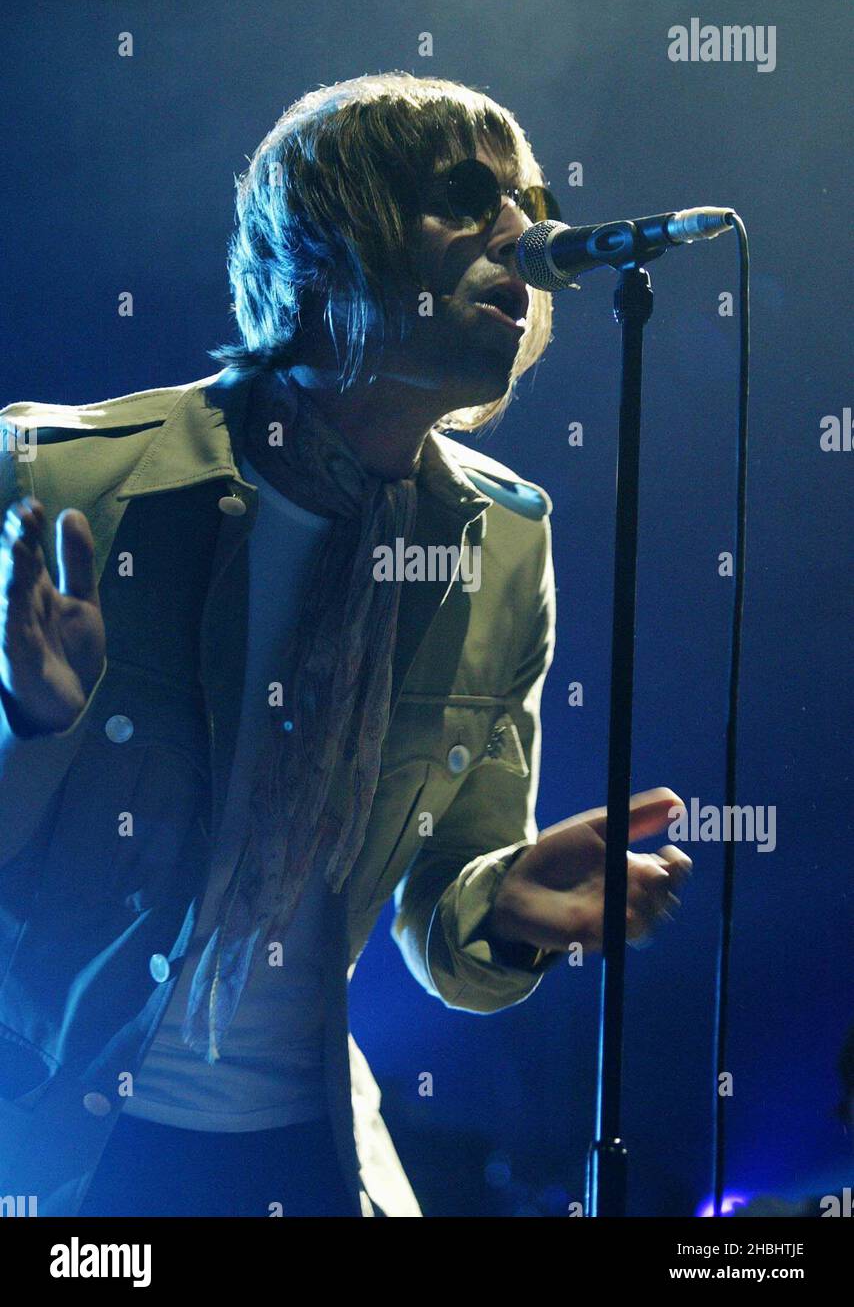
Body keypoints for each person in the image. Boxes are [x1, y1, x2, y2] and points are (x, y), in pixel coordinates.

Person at [0, 73, 691, 1217]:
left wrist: (501, 906)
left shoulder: (500, 542)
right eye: (464, 198)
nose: (526, 236)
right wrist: (29, 731)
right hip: (55, 1151)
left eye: (529, 199)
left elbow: (441, 908)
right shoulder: (60, 479)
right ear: (320, 241)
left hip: (307, 1152)